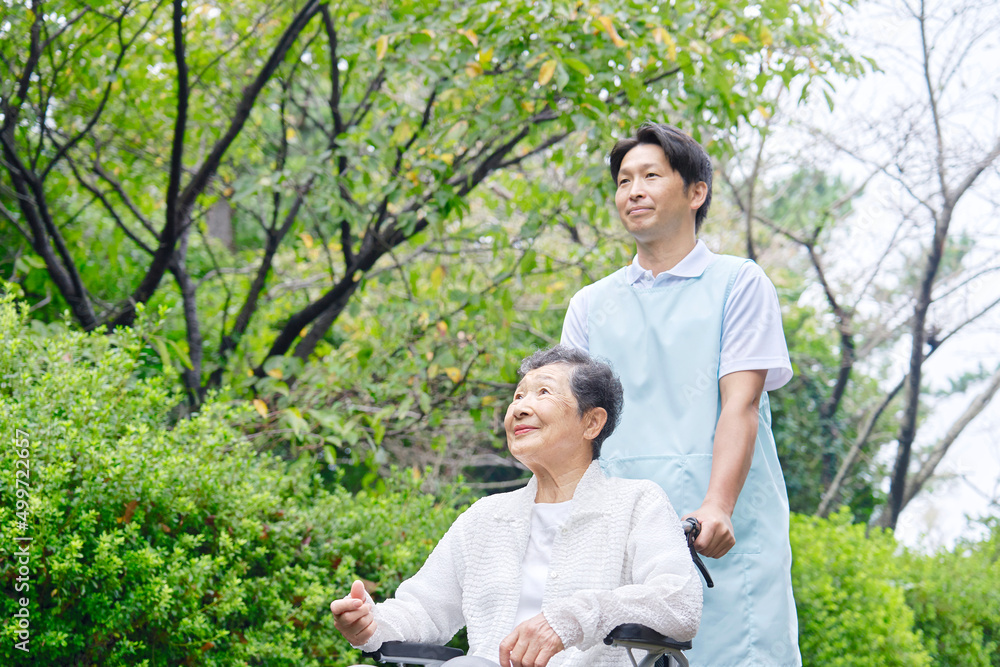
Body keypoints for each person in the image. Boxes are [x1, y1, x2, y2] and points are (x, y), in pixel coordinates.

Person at [560, 122, 800, 666]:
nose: (634, 191)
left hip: (718, 535)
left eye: (650, 175)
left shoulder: (739, 284)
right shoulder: (592, 305)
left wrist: (718, 504)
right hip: (620, 538)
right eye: (623, 181)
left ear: (697, 192)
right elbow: (571, 431)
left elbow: (739, 406)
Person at [331, 346, 702, 667]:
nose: (521, 408)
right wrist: (372, 623)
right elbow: (423, 610)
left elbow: (678, 603)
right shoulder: (485, 518)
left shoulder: (636, 502)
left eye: (542, 392)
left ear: (591, 422)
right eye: (518, 397)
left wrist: (569, 619)